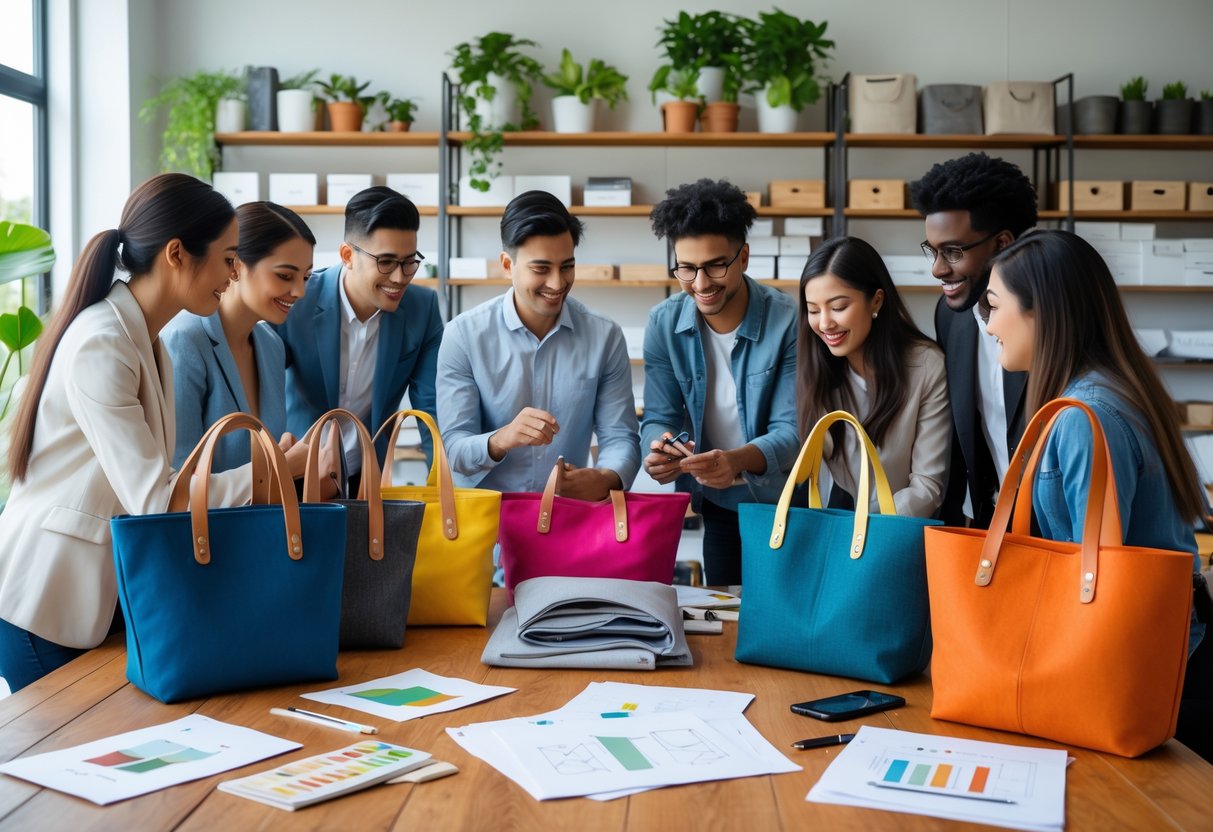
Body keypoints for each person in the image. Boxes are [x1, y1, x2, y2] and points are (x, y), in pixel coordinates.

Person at [0, 174, 297, 692]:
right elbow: (156, 498)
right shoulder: (104, 341)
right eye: (228, 259)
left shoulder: (146, 339)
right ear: (178, 253)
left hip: (91, 599)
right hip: (44, 604)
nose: (233, 275)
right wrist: (273, 471)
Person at [982, 229, 1210, 756]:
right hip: (1173, 651)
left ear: (1043, 311)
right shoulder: (1117, 389)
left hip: (1138, 674)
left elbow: (1097, 578)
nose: (990, 325)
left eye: (994, 307)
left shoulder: (1085, 418)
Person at [642, 178, 799, 585]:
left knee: (786, 629)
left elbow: (794, 431)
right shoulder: (663, 323)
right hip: (717, 503)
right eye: (686, 268)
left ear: (743, 257)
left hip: (784, 502)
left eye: (715, 265)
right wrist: (659, 449)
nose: (700, 283)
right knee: (727, 622)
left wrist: (736, 461)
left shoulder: (789, 321)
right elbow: (659, 415)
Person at [437, 190, 639, 499]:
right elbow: (454, 450)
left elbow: (621, 438)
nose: (557, 284)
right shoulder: (463, 336)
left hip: (568, 520)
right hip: (487, 527)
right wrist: (500, 439)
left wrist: (606, 477)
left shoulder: (605, 336)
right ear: (507, 264)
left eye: (567, 266)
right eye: (541, 269)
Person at [274, 186, 443, 488]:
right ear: (347, 255)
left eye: (409, 261)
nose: (400, 277)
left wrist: (436, 483)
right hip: (293, 472)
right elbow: (263, 392)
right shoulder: (296, 301)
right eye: (387, 262)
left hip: (366, 480)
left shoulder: (422, 309)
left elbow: (430, 410)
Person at [909, 153, 1037, 527]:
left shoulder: (1053, 323)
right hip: (989, 530)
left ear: (1002, 243)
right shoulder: (950, 316)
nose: (937, 269)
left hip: (1058, 539)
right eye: (932, 251)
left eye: (952, 251)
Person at [163, 201, 328, 473]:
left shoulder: (271, 345)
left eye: (307, 277)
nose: (299, 291)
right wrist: (281, 468)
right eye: (285, 275)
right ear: (236, 265)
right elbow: (180, 478)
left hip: (263, 516)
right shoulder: (185, 339)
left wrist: (280, 453)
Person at [798, 237, 952, 517]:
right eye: (813, 310)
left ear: (876, 301)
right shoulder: (819, 364)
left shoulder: (926, 366)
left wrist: (866, 530)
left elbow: (927, 487)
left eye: (838, 307)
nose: (824, 323)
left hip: (895, 533)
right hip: (838, 526)